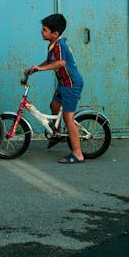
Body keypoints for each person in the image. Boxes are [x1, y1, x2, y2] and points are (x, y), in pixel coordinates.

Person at [25, 13, 84, 164]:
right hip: (63, 84)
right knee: (54, 105)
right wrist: (36, 68)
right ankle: (56, 133)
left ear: (55, 33)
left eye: (44, 30)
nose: (41, 32)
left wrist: (41, 69)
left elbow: (61, 63)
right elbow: (50, 61)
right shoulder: (53, 45)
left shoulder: (59, 45)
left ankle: (77, 154)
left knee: (68, 118)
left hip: (71, 85)